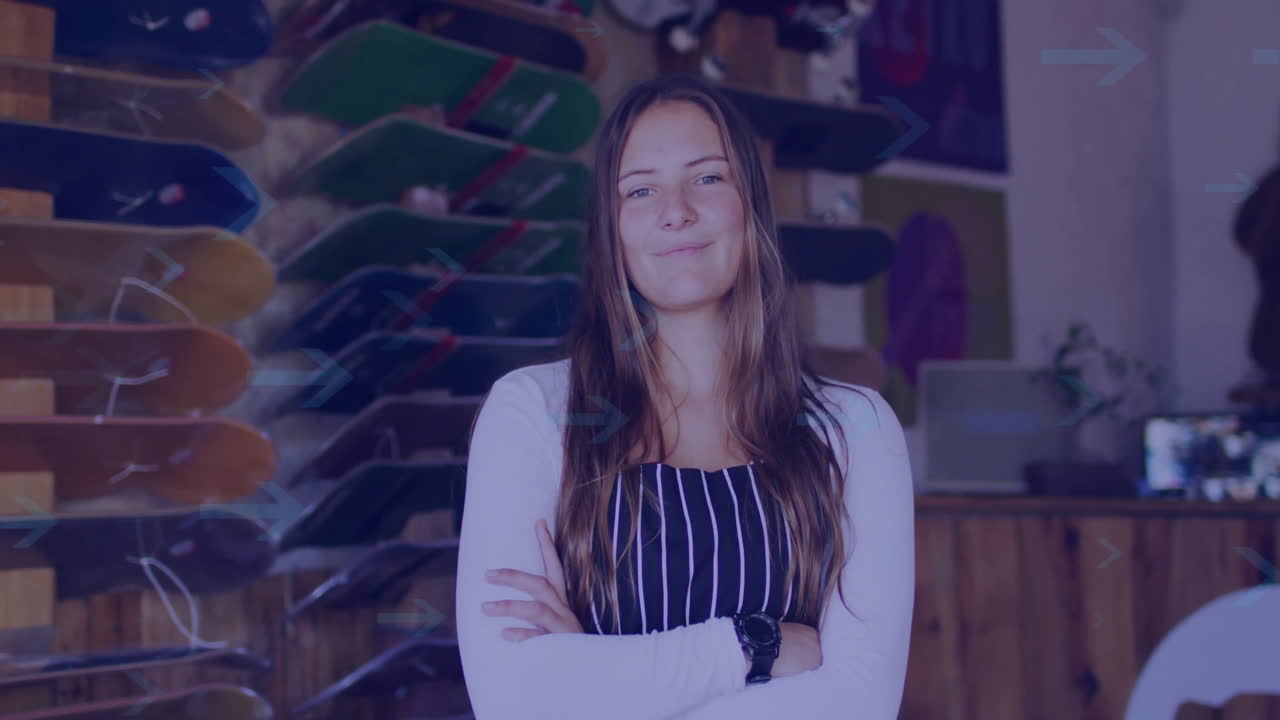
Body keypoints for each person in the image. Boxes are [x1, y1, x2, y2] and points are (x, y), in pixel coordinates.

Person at [455, 73, 914, 720]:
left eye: (707, 178)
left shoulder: (855, 428)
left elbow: (859, 705)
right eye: (640, 190)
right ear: (611, 229)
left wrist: (594, 678)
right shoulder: (534, 413)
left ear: (750, 204)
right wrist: (756, 646)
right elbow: (513, 700)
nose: (676, 210)